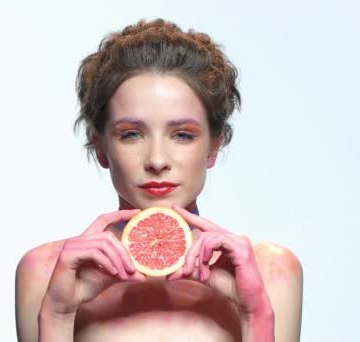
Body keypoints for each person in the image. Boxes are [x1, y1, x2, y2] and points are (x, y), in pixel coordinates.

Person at [15, 18, 303, 342]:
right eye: (131, 135)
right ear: (100, 147)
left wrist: (256, 314)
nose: (156, 160)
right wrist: (58, 314)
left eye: (182, 135)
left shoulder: (273, 271)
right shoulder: (45, 272)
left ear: (214, 146)